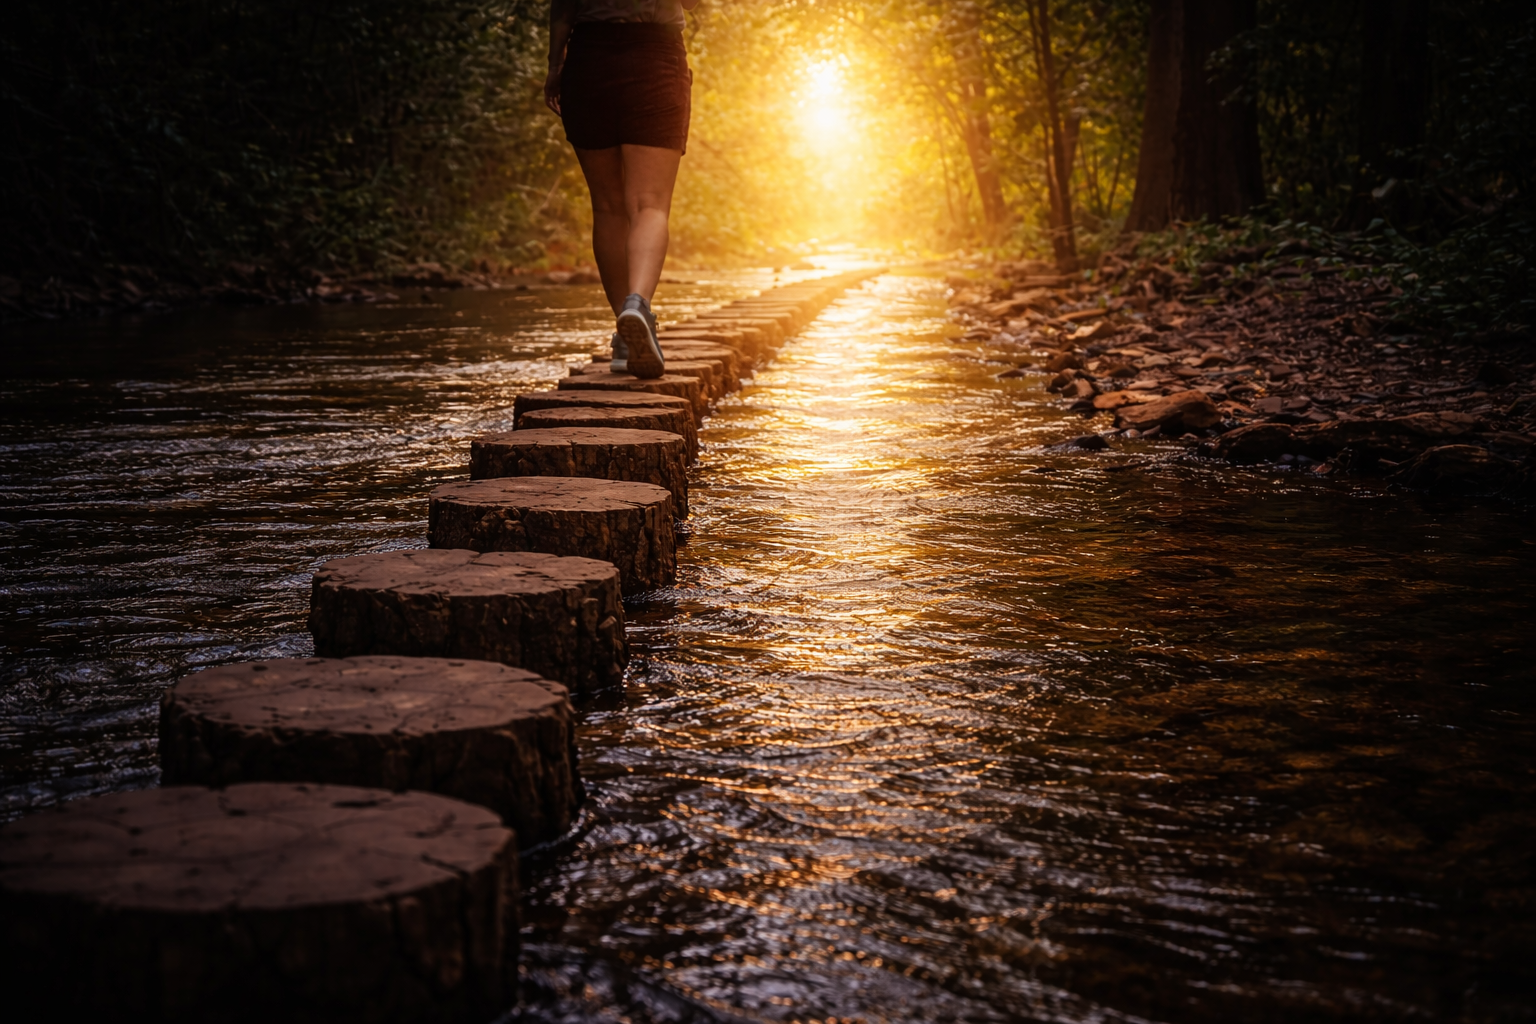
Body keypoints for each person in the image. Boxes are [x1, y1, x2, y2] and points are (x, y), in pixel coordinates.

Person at [545, 0, 700, 379]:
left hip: (588, 59)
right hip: (654, 55)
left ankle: (624, 337)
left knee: (608, 207)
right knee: (649, 205)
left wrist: (554, 68)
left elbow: (563, 10)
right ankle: (638, 304)